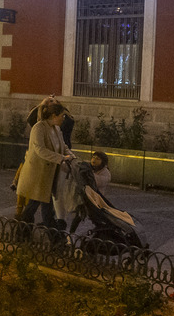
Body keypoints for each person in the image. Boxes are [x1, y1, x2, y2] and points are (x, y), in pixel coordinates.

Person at [14, 99, 73, 228]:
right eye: (62, 116)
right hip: (38, 175)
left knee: (37, 206)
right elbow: (40, 150)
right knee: (43, 208)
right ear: (53, 116)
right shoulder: (38, 128)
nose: (64, 118)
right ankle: (52, 237)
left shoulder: (56, 129)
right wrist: (61, 158)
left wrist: (71, 156)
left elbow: (63, 145)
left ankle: (23, 230)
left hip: (48, 176)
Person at [67, 150, 112, 233]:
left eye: (98, 159)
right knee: (79, 216)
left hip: (95, 200)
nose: (94, 160)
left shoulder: (106, 173)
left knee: (96, 218)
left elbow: (94, 181)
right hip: (85, 197)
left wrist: (87, 173)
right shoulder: (88, 167)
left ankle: (101, 233)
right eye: (93, 157)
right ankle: (71, 233)